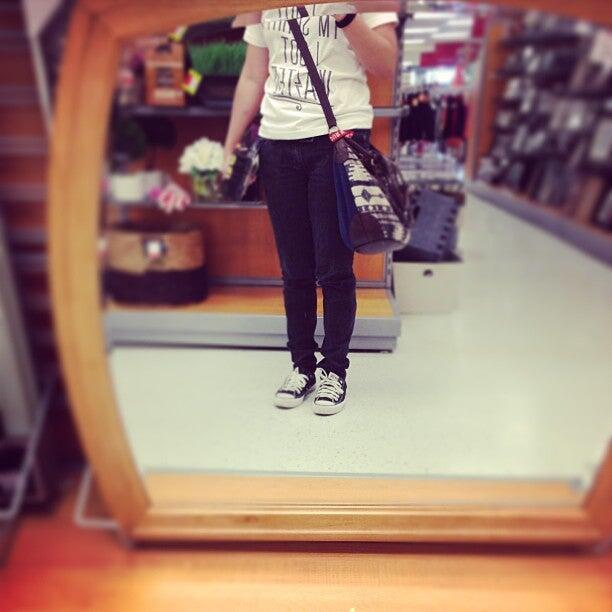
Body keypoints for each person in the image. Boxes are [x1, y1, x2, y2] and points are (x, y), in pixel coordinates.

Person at [221, 5, 399, 416]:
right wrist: (229, 145)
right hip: (277, 140)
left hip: (338, 138)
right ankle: (301, 366)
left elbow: (386, 65)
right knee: (294, 268)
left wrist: (346, 16)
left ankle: (334, 370)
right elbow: (253, 75)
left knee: (334, 266)